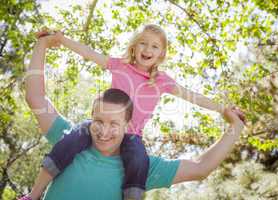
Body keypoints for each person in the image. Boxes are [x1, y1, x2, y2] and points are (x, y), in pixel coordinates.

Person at [21, 25, 245, 200]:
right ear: (133, 47)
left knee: (138, 160)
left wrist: (222, 109)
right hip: (92, 126)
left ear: (162, 54)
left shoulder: (162, 82)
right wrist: (59, 40)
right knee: (71, 139)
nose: (147, 50)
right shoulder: (119, 65)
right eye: (143, 44)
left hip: (133, 136)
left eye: (155, 46)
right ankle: (33, 195)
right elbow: (88, 53)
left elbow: (192, 96)